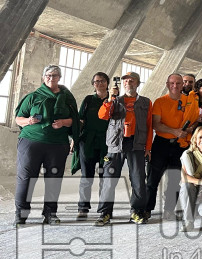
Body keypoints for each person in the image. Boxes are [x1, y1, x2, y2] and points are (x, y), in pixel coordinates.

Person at [14, 64, 78, 226]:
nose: (52, 77)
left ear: (59, 78)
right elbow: (18, 119)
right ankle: (21, 215)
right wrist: (29, 121)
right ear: (43, 77)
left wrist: (64, 122)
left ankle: (50, 214)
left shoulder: (67, 98)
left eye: (55, 75)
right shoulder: (33, 97)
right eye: (48, 75)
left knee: (54, 179)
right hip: (31, 142)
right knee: (26, 178)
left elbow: (75, 121)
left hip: (57, 144)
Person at [95, 71, 153, 226]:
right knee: (109, 179)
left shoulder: (146, 102)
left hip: (137, 144)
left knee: (139, 180)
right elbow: (102, 115)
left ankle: (137, 212)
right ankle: (105, 213)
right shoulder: (115, 100)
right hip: (115, 144)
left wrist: (148, 147)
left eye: (132, 80)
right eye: (126, 81)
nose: (128, 83)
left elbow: (149, 125)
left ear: (138, 83)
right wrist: (110, 99)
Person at [146, 73, 194, 220]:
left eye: (178, 83)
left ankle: (169, 211)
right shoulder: (160, 102)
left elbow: (193, 120)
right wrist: (174, 131)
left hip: (180, 146)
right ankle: (147, 210)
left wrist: (190, 129)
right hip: (161, 144)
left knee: (174, 180)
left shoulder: (189, 101)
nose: (175, 86)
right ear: (167, 84)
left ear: (183, 85)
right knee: (153, 179)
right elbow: (156, 124)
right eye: (172, 83)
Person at [74, 72, 111, 220]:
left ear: (107, 83)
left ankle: (104, 210)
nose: (99, 84)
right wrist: (74, 139)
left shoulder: (114, 99)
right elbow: (80, 120)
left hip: (106, 144)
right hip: (88, 143)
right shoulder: (89, 100)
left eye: (102, 81)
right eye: (96, 81)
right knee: (86, 176)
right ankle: (83, 208)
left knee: (105, 177)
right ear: (93, 84)